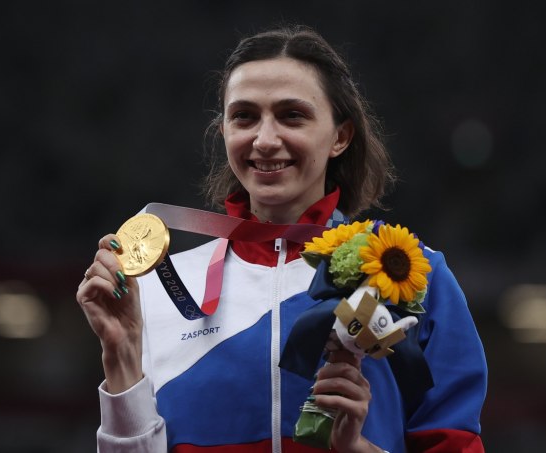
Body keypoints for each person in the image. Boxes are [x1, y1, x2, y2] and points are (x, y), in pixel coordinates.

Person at [76, 25, 487, 453]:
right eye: (244, 116)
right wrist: (120, 356)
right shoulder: (159, 289)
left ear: (340, 136)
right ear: (224, 132)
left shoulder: (410, 273)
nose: (265, 140)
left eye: (292, 115)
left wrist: (359, 450)